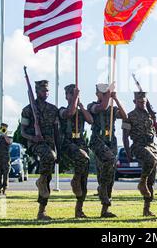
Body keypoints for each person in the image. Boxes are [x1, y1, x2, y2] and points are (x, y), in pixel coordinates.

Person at [21, 80, 59, 220]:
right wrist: (33, 137)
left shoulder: (53, 109)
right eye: (43, 90)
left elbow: (56, 132)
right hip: (36, 144)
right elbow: (23, 132)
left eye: (47, 90)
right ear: (37, 92)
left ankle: (41, 211)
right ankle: (41, 180)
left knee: (47, 179)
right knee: (49, 156)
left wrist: (58, 152)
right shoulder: (28, 109)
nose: (46, 93)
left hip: (49, 145)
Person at [88, 83, 127, 218]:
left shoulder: (112, 109)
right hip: (98, 140)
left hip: (110, 141)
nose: (105, 96)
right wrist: (108, 94)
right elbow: (102, 107)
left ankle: (105, 209)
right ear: (97, 94)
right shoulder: (92, 106)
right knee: (107, 164)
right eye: (103, 93)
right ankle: (102, 187)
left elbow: (124, 115)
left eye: (106, 93)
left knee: (110, 175)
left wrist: (115, 98)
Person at [123, 91, 157, 216]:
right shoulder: (129, 116)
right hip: (138, 145)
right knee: (151, 160)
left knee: (151, 181)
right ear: (134, 101)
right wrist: (127, 152)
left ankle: (146, 209)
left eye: (144, 102)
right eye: (140, 102)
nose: (142, 104)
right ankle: (142, 181)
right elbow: (125, 136)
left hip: (152, 145)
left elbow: (155, 130)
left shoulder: (150, 115)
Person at [59, 84, 93, 218]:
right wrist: (75, 100)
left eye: (75, 94)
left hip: (80, 142)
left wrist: (82, 107)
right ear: (66, 96)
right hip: (68, 143)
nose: (74, 96)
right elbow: (69, 113)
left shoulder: (80, 111)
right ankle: (75, 179)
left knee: (84, 179)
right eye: (71, 94)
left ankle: (79, 210)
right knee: (83, 158)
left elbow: (91, 120)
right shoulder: (62, 110)